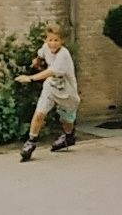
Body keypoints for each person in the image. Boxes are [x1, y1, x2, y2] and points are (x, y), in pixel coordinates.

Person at [14, 23, 80, 162]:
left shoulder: (64, 55)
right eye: (50, 40)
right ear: (46, 40)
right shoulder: (46, 48)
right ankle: (30, 142)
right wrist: (36, 62)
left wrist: (30, 78)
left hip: (67, 93)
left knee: (66, 121)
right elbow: (40, 54)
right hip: (51, 87)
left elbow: (50, 71)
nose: (53, 43)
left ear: (62, 41)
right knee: (39, 114)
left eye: (56, 40)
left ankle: (69, 136)